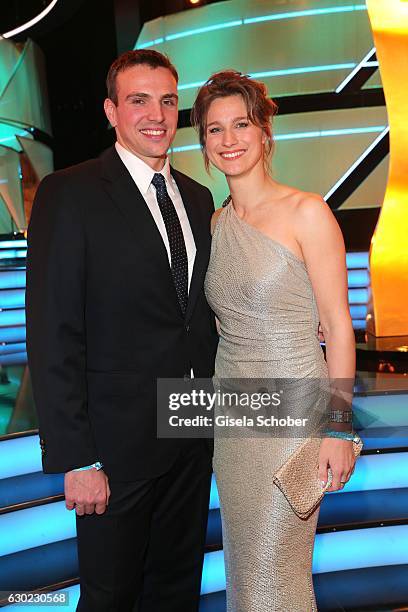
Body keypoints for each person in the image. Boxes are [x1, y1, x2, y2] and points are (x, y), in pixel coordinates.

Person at [25, 50, 218, 611]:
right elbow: (53, 330)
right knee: (110, 597)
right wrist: (77, 459)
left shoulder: (199, 197)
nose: (155, 114)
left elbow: (192, 322)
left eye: (166, 100)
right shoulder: (71, 192)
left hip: (190, 431)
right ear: (112, 111)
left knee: (175, 589)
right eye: (138, 100)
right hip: (112, 451)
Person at [191, 70, 358, 611]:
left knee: (275, 577)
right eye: (215, 130)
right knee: (245, 573)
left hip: (295, 417)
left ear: (265, 133)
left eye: (241, 124)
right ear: (205, 146)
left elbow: (337, 326)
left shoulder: (307, 212)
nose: (230, 139)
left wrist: (337, 426)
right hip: (234, 418)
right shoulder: (215, 225)